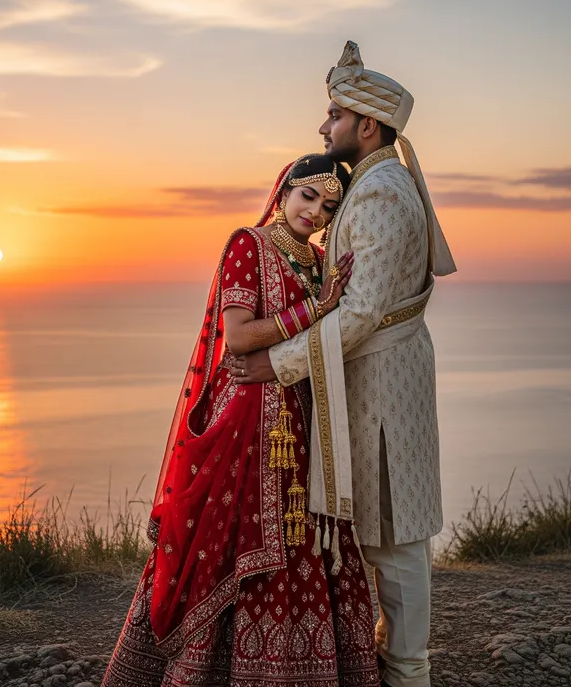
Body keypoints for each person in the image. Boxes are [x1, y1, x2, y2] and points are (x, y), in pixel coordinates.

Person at [101, 154, 381, 687]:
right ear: (283, 191)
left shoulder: (321, 263)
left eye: (328, 206)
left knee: (306, 541)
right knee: (234, 543)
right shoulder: (247, 244)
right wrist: (317, 309)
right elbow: (240, 336)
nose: (315, 213)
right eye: (308, 197)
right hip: (249, 422)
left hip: (306, 423)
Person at [232, 42, 457, 687]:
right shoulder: (370, 186)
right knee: (378, 531)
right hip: (371, 378)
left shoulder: (382, 193)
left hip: (384, 383)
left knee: (396, 536)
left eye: (333, 115)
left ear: (368, 125)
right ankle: (386, 660)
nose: (321, 127)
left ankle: (408, 671)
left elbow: (357, 316)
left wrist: (274, 363)